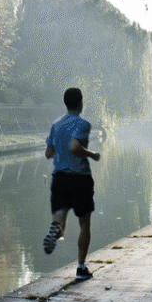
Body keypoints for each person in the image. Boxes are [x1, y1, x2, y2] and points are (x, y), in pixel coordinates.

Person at [43, 87, 101, 280]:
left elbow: (48, 153)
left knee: (59, 223)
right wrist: (92, 154)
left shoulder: (56, 124)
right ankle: (81, 268)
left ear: (66, 103)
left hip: (59, 177)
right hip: (80, 178)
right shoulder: (83, 124)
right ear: (81, 103)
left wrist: (60, 153)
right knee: (84, 223)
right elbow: (75, 146)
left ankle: (55, 229)